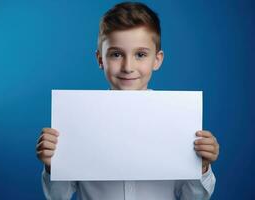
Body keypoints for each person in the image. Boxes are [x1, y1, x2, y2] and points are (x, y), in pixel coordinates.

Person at [36, 2, 220, 200]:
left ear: (157, 60)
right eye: (116, 54)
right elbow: (58, 197)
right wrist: (52, 165)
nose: (128, 67)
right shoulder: (77, 120)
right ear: (100, 60)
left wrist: (201, 167)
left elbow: (193, 198)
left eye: (140, 54)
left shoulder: (177, 120)